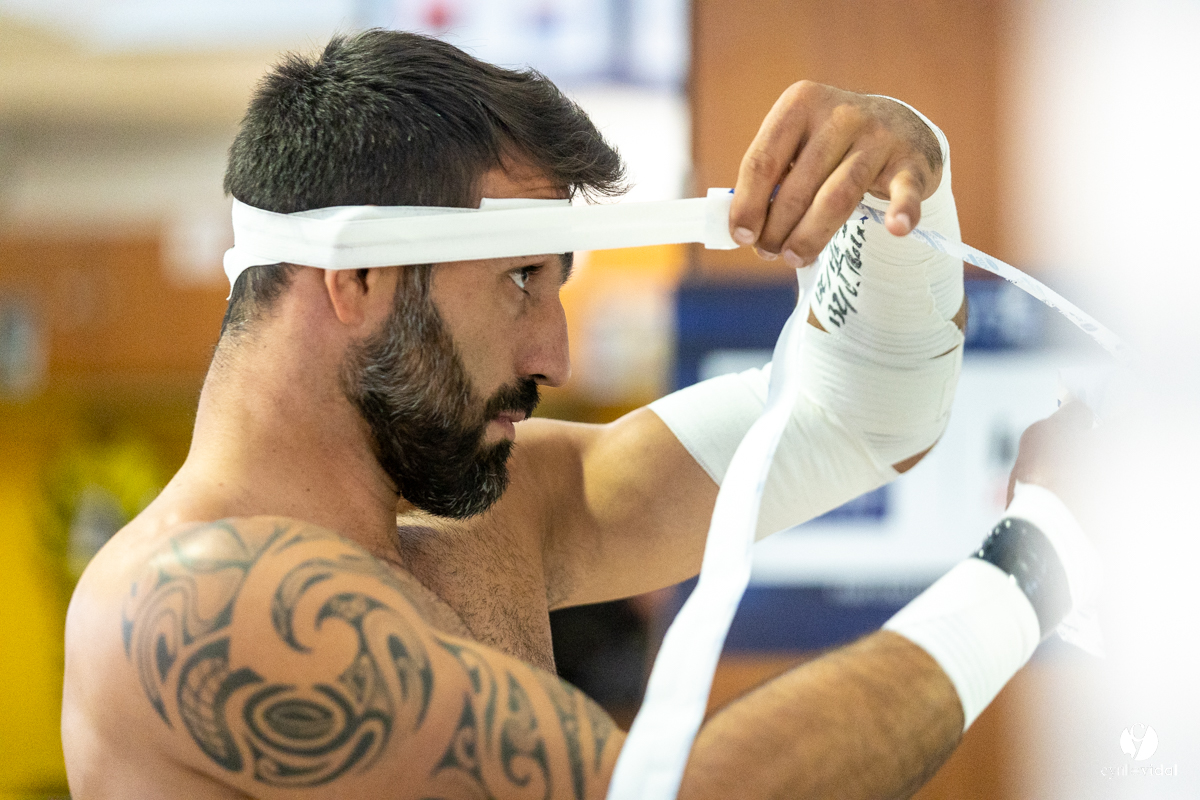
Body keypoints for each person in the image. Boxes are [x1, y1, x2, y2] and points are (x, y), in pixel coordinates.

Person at [61, 29, 1092, 800]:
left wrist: (899, 194)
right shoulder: (191, 605)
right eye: (519, 279)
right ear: (360, 274)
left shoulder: (489, 516)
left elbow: (860, 414)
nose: (552, 352)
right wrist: (1038, 565)